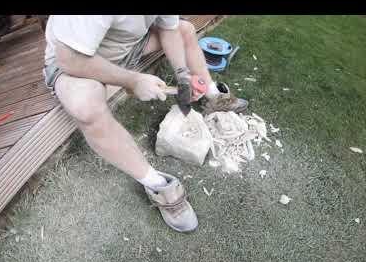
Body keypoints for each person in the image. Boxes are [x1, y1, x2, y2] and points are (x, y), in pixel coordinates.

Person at [43, 15, 248, 233]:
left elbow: (169, 29)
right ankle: (156, 184)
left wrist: (182, 75)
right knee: (86, 106)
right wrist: (133, 80)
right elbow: (70, 59)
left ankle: (213, 95)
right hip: (77, 61)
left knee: (184, 30)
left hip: (127, 46)